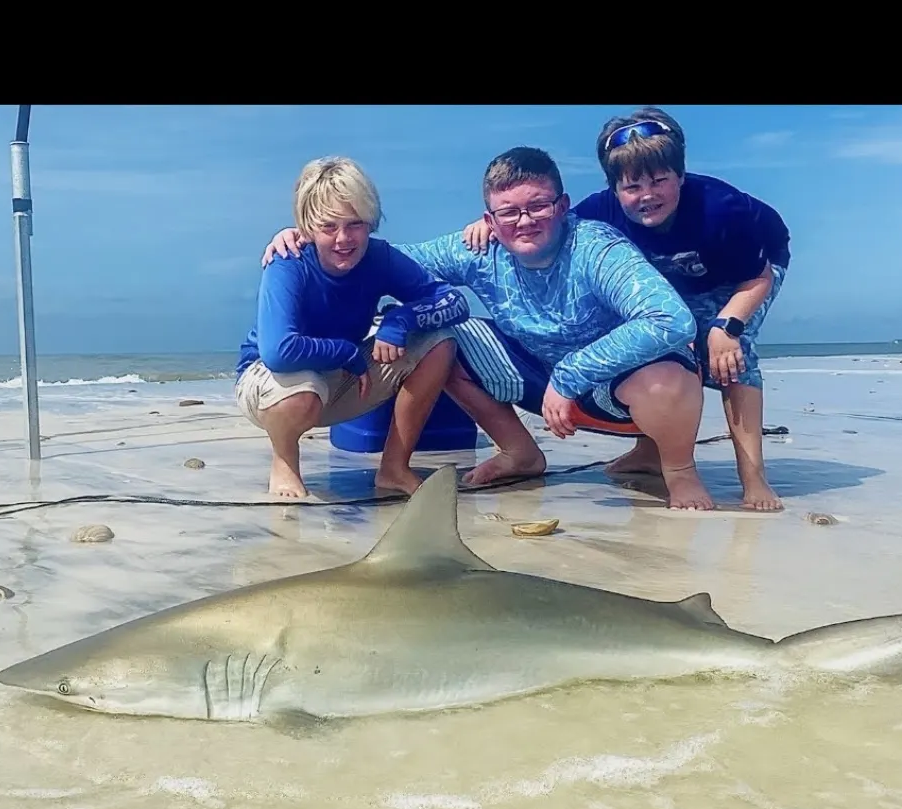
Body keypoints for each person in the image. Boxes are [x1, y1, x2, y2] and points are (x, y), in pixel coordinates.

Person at [262, 147, 725, 511]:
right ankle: (519, 452)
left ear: (563, 206)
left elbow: (671, 319)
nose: (525, 221)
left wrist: (572, 375)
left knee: (667, 378)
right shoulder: (481, 247)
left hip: (613, 390)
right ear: (490, 219)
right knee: (441, 338)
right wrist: (305, 237)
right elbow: (382, 260)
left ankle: (679, 471)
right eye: (509, 212)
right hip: (539, 380)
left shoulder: (597, 248)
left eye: (538, 206)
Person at [461, 107, 790, 512]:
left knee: (730, 358)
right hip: (673, 274)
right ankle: (649, 452)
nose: (647, 195)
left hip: (743, 276)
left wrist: (728, 326)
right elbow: (544, 222)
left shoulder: (722, 210)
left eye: (660, 180)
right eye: (632, 186)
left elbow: (758, 278)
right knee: (652, 343)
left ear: (681, 176)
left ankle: (754, 477)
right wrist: (490, 225)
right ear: (614, 188)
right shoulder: (598, 212)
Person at [238, 155, 471, 499]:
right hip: (270, 382)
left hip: (342, 377)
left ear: (370, 221)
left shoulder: (379, 257)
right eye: (328, 226)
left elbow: (454, 301)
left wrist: (401, 319)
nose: (343, 238)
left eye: (355, 224)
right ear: (307, 227)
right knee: (302, 392)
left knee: (439, 342)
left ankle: (394, 468)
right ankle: (285, 462)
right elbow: (278, 352)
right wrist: (347, 352)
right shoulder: (287, 261)